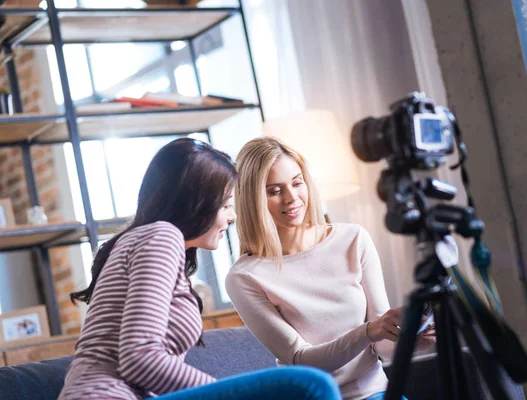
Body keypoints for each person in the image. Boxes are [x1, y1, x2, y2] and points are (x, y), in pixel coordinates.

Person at [59, 138, 342, 400]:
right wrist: (221, 392)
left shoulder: (150, 241)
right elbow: (140, 359)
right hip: (105, 395)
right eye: (227, 205)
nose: (232, 217)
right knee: (310, 385)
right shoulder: (161, 237)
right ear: (198, 203)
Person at [226, 137, 435, 400]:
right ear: (252, 199)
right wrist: (368, 331)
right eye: (274, 191)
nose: (291, 198)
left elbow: (381, 345)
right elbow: (300, 359)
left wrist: (414, 342)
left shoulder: (353, 240)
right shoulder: (245, 277)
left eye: (297, 183)